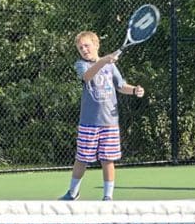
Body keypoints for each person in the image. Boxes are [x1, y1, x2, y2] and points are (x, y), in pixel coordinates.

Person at [61, 31, 144, 201]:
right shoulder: (81, 65)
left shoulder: (111, 66)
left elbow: (120, 86)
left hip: (110, 123)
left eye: (87, 45)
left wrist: (134, 90)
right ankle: (73, 193)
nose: (84, 49)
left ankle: (108, 197)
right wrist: (104, 60)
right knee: (82, 159)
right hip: (89, 123)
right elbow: (87, 76)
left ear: (96, 45)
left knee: (108, 160)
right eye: (80, 47)